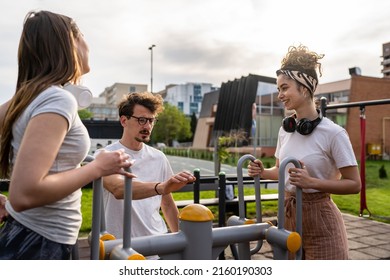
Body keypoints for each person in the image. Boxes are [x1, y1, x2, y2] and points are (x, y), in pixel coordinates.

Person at [0, 10, 134, 260]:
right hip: (41, 243)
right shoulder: (57, 98)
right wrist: (98, 168)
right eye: (82, 35)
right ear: (70, 42)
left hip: (30, 237)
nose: (88, 45)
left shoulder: (26, 96)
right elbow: (24, 194)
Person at [248, 45, 361, 260]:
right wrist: (263, 171)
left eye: (284, 88)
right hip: (289, 218)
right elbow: (282, 171)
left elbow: (354, 184)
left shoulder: (334, 133)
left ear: (305, 88)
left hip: (322, 222)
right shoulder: (285, 130)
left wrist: (312, 182)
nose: (279, 95)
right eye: (278, 89)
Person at [100, 92, 193, 259]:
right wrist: (160, 187)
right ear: (124, 121)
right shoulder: (105, 155)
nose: (147, 126)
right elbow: (118, 189)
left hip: (157, 245)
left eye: (151, 120)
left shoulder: (159, 157)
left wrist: (181, 242)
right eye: (142, 120)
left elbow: (167, 202)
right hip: (118, 248)